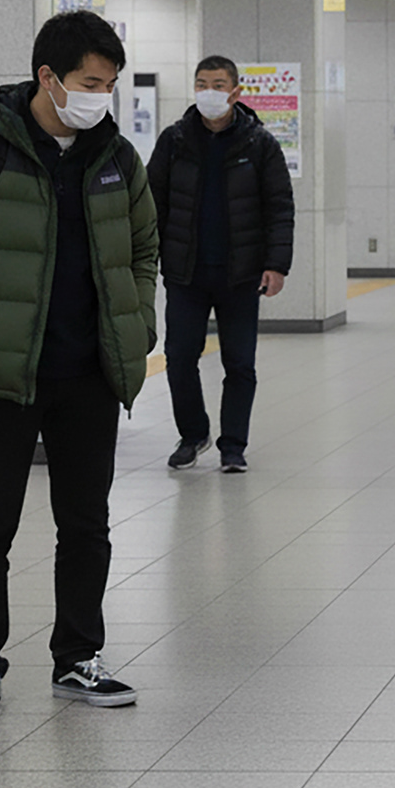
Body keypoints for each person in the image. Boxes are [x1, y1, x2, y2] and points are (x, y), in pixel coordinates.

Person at [0, 11, 158, 721]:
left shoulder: (116, 159)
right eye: (89, 82)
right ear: (47, 78)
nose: (100, 96)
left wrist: (138, 324)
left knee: (87, 524)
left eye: (108, 84)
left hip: (90, 374)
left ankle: (78, 657)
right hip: (0, 375)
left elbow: (144, 251)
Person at [147, 55, 295, 474]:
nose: (208, 92)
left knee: (240, 363)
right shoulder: (174, 140)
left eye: (217, 84)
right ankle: (193, 434)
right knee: (178, 357)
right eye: (201, 83)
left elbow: (279, 207)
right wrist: (148, 255)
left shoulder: (259, 144)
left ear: (235, 92)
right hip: (185, 271)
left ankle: (234, 445)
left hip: (241, 272)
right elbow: (151, 202)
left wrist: (276, 264)